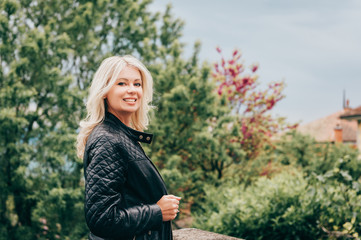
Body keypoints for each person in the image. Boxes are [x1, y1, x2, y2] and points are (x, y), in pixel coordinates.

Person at [76, 55, 180, 240]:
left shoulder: (122, 135)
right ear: (105, 91)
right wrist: (157, 212)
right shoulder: (107, 140)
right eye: (122, 84)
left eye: (137, 84)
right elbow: (102, 219)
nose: (132, 90)